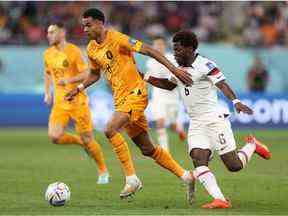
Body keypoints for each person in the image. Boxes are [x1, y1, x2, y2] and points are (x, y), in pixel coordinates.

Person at [65, 8, 194, 200]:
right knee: (147, 149)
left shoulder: (118, 39)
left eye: (88, 25)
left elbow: (149, 50)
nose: (85, 29)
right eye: (83, 26)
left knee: (109, 129)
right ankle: (187, 176)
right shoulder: (92, 49)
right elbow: (94, 74)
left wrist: (174, 70)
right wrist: (80, 87)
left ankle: (132, 179)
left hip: (136, 94)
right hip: (121, 99)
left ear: (100, 23)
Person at [144, 30, 271, 209]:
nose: (175, 53)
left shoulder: (206, 65)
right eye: (174, 50)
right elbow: (168, 85)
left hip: (214, 119)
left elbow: (222, 84)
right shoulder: (178, 68)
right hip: (196, 122)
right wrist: (144, 76)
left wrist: (236, 101)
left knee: (233, 165)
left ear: (190, 49)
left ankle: (252, 146)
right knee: (198, 158)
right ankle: (220, 199)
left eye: (178, 50)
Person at [44, 22, 109, 184]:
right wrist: (47, 93)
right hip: (60, 103)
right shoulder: (48, 54)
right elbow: (47, 73)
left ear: (62, 32)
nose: (48, 35)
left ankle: (103, 171)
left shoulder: (73, 51)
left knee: (89, 139)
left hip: (78, 102)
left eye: (52, 32)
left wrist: (69, 80)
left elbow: (87, 73)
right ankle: (81, 143)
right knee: (54, 136)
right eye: (48, 33)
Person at [146, 36, 186, 152]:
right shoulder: (150, 62)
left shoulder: (172, 59)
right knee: (160, 122)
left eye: (160, 45)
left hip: (173, 96)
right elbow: (150, 76)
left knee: (173, 125)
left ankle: (179, 129)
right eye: (156, 45)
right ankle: (165, 151)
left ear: (164, 46)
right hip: (158, 96)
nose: (158, 47)